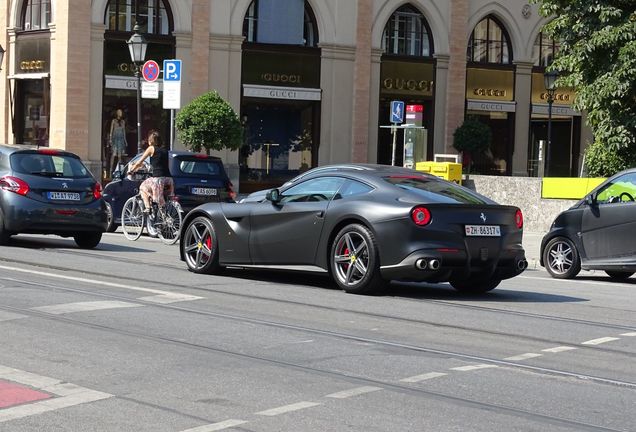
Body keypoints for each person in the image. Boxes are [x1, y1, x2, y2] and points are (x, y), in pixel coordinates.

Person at [129, 130, 174, 215]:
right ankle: (163, 217)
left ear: (151, 141)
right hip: (169, 179)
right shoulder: (165, 150)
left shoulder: (151, 148)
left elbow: (140, 162)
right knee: (161, 199)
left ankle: (148, 208)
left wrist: (132, 170)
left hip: (158, 179)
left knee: (143, 187)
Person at [108, 109, 128, 174]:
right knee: (114, 155)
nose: (120, 113)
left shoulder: (123, 122)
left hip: (121, 139)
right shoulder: (114, 121)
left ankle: (119, 170)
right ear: (116, 113)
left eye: (121, 112)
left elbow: (124, 131)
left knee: (120, 156)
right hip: (115, 138)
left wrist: (125, 140)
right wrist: (110, 139)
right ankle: (111, 170)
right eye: (119, 112)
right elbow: (111, 131)